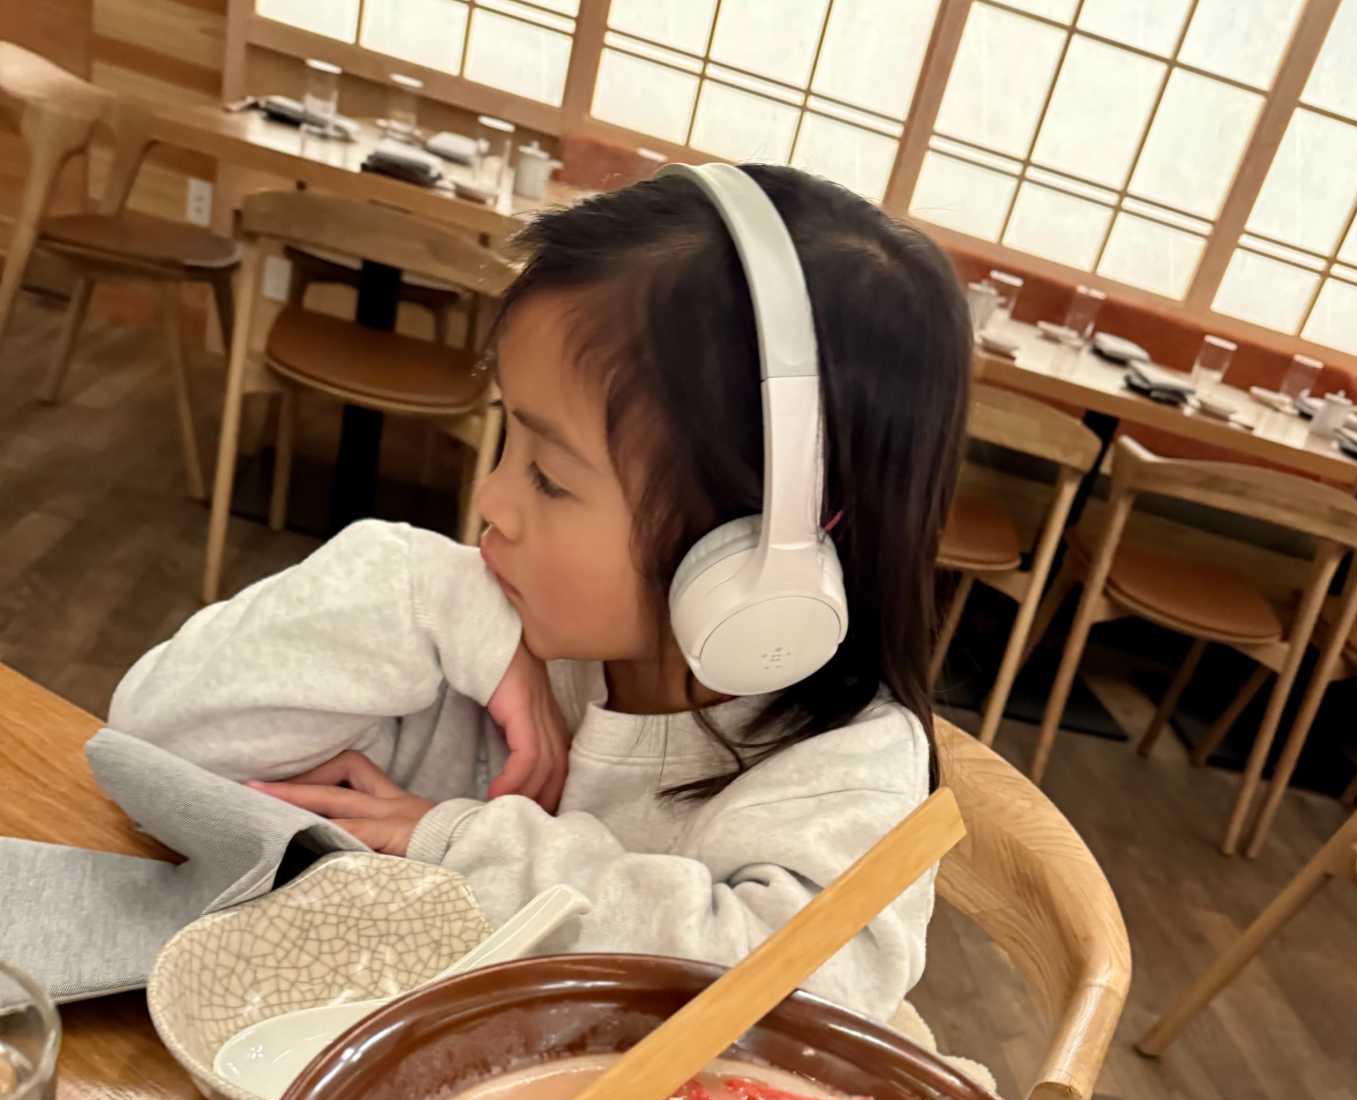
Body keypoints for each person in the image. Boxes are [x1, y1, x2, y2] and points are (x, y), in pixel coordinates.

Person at [109, 163, 971, 1021]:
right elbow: (151, 745)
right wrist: (423, 592)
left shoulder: (846, 772)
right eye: (506, 441)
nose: (492, 499)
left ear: (761, 546)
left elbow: (780, 1005)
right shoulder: (489, 639)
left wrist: (450, 843)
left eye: (550, 478)